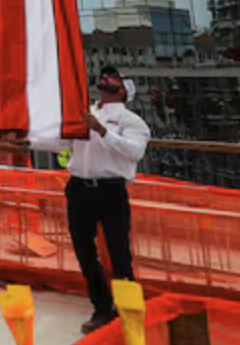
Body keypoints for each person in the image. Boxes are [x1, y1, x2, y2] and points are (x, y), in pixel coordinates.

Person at [29, 66, 152, 334]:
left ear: (123, 90)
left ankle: (127, 312)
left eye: (114, 78)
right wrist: (27, 141)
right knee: (85, 253)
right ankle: (102, 308)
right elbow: (62, 141)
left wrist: (103, 132)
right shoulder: (86, 114)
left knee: (119, 254)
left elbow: (135, 152)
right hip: (80, 188)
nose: (106, 80)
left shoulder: (133, 122)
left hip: (111, 189)